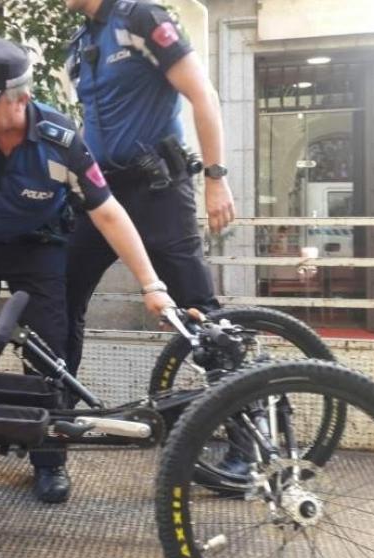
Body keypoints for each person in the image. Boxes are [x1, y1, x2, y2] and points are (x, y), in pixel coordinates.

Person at [0, 38, 174, 504]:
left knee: (49, 352)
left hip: (38, 249)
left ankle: (48, 458)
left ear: (20, 98)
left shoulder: (62, 142)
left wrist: (151, 284)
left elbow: (107, 212)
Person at [63, 0, 237, 376]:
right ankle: (54, 410)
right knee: (58, 297)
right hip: (101, 197)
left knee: (198, 309)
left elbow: (202, 93)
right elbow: (92, 121)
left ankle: (241, 413)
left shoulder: (140, 18)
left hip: (158, 190)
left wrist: (216, 177)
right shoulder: (80, 41)